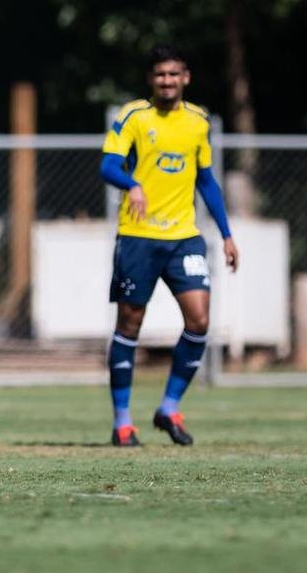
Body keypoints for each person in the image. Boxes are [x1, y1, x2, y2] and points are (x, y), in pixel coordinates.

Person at [100, 44, 239, 447]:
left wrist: (227, 233)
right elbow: (107, 165)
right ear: (151, 79)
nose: (167, 81)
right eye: (160, 74)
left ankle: (169, 407)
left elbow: (206, 180)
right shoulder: (133, 117)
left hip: (184, 237)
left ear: (186, 78)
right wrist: (132, 183)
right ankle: (123, 422)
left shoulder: (199, 121)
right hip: (139, 236)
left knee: (199, 321)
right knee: (129, 326)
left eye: (174, 74)